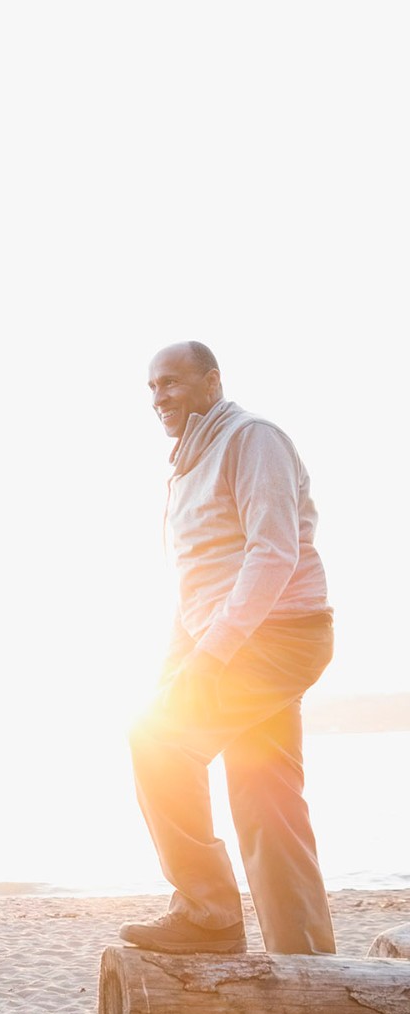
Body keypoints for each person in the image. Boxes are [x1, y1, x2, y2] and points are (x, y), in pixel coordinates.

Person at [120, 341, 334, 956]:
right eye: (152, 387)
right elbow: (196, 584)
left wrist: (209, 657)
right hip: (238, 640)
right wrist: (175, 663)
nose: (159, 397)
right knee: (268, 800)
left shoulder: (252, 439)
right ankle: (309, 965)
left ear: (212, 382)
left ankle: (209, 913)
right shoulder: (188, 465)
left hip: (279, 635)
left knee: (158, 739)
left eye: (171, 382)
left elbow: (273, 551)